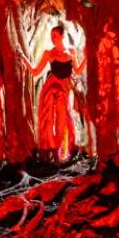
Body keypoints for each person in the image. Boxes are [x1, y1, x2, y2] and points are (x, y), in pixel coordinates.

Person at [30, 24, 84, 163]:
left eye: (54, 36)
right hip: (50, 88)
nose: (52, 38)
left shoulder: (71, 51)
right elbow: (35, 72)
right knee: (48, 120)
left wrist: (87, 58)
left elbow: (78, 71)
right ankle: (53, 153)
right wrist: (24, 60)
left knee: (63, 120)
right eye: (51, 36)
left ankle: (61, 153)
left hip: (64, 89)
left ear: (62, 36)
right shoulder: (49, 53)